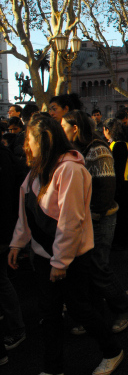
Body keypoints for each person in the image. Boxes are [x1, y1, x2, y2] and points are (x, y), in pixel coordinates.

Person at [8, 114, 123, 375]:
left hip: (71, 258)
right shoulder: (37, 170)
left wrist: (60, 262)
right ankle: (53, 368)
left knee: (80, 309)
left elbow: (70, 220)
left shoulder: (71, 170)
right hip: (44, 255)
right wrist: (18, 242)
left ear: (44, 140)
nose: (26, 145)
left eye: (29, 139)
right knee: (49, 314)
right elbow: (26, 209)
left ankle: (112, 350)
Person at [61, 111, 128, 334]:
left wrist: (94, 215)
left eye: (64, 125)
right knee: (86, 270)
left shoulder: (98, 149)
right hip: (82, 217)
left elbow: (106, 188)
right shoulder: (74, 148)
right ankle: (94, 316)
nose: (61, 129)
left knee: (98, 267)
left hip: (100, 217)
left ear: (75, 128)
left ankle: (124, 308)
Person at [0, 143, 26, 353]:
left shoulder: (4, 158)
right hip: (7, 228)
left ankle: (16, 328)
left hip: (3, 229)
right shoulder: (7, 156)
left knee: (1, 281)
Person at [103, 118, 128, 250]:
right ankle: (123, 240)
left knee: (121, 215)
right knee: (124, 214)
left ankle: (121, 241)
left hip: (122, 184)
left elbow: (118, 168)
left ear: (107, 130)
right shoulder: (125, 143)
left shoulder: (118, 145)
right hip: (126, 183)